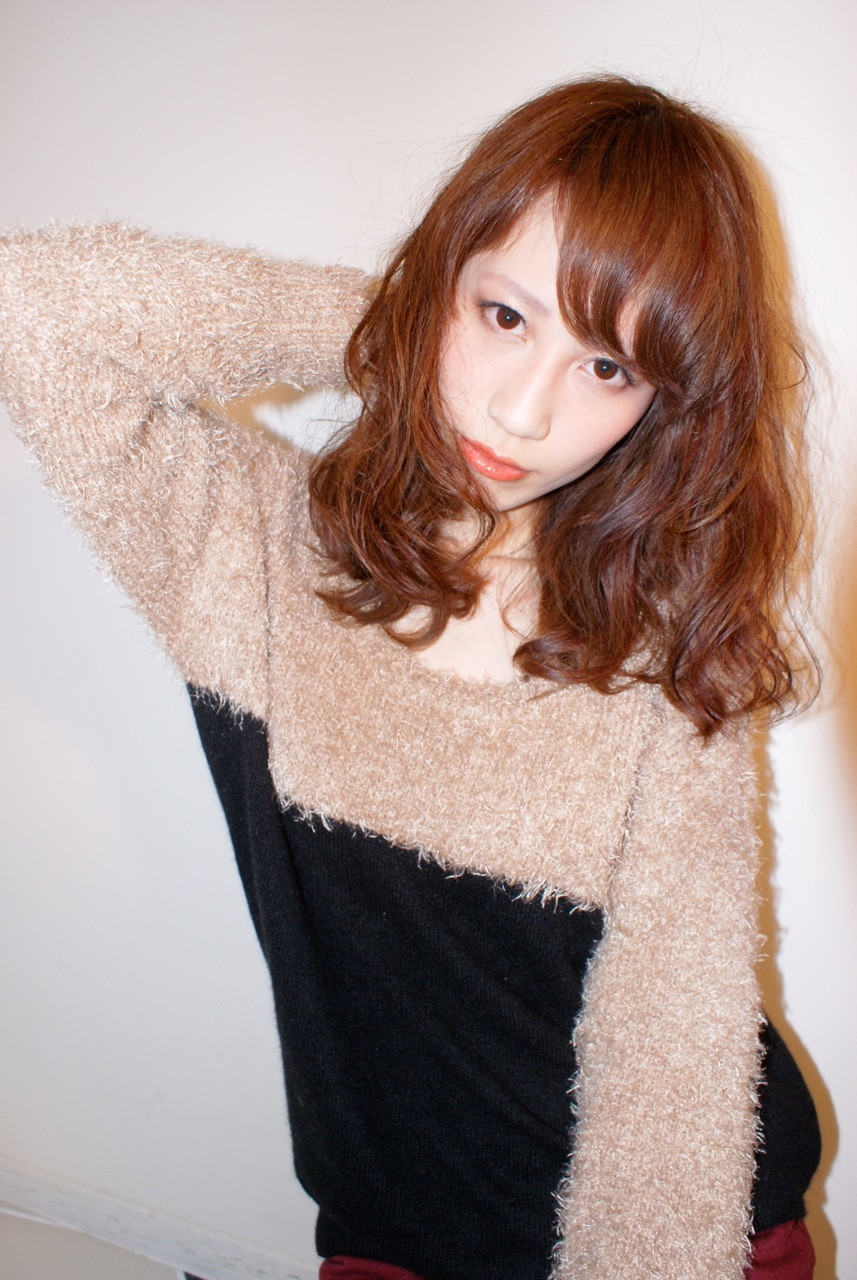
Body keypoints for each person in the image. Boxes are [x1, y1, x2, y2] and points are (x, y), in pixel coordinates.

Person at [0, 76, 822, 1280]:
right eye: (503, 314)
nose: (523, 409)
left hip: (695, 1234)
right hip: (399, 1239)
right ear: (444, 272)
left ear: (664, 405)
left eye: (607, 367)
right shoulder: (253, 552)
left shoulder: (656, 658)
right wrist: (390, 322)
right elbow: (33, 309)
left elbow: (673, 1051)